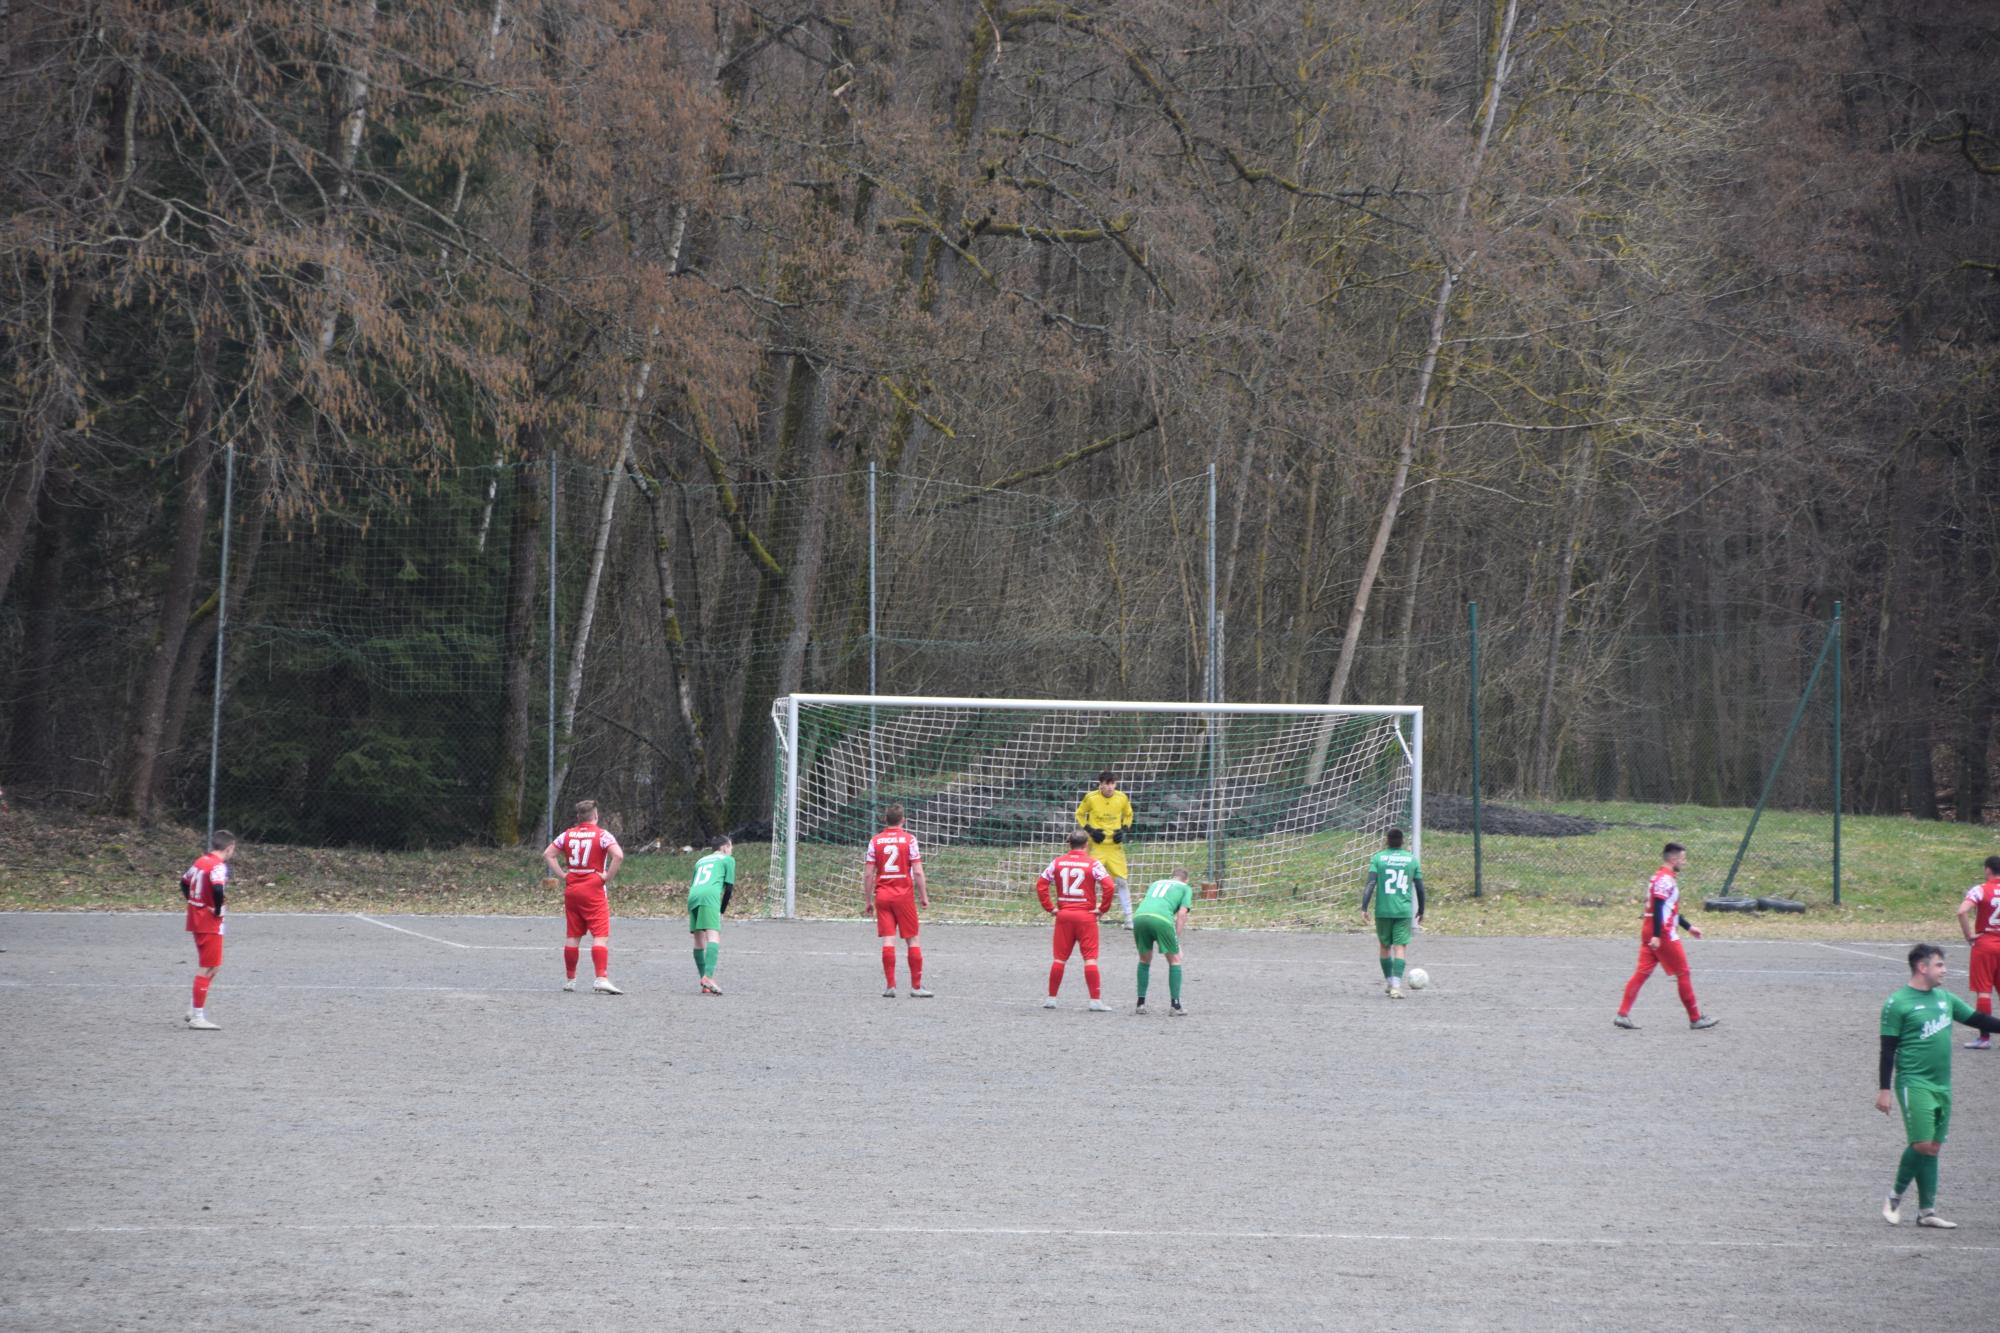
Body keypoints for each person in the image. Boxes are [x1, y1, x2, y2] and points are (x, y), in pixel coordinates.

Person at [1877, 943, 2000, 1227]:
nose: (1944, 970)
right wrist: (1884, 1090)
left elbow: (1978, 1019)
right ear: (1923, 967)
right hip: (1913, 1082)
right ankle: (1894, 1197)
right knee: (1920, 1144)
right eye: (1940, 965)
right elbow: (1887, 1049)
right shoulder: (1898, 1003)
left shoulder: (1945, 998)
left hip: (1942, 1085)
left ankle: (1926, 1212)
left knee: (1932, 1147)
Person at [1613, 842, 1717, 1030]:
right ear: (1674, 858)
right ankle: (1695, 1018)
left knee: (1642, 973)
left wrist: (1688, 926)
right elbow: (1660, 907)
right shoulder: (1665, 879)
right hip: (1662, 933)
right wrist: (1657, 935)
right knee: (1683, 972)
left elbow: (1667, 908)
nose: (1684, 863)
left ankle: (1622, 1014)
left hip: (1650, 928)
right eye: (1683, 859)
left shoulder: (1659, 877)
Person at [542, 799, 625, 994]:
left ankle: (570, 979)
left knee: (573, 935)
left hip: (572, 889)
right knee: (600, 935)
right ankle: (601, 977)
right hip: (593, 888)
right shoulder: (603, 835)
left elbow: (548, 854)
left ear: (578, 817)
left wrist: (562, 874)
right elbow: (618, 855)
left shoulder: (567, 835)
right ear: (595, 815)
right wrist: (607, 877)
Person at [1037, 830, 1117, 1010]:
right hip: (1086, 916)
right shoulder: (1093, 863)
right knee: (1090, 959)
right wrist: (1102, 909)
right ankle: (1095, 1001)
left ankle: (1051, 999)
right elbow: (1109, 886)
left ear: (1069, 844)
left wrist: (1050, 907)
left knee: (1059, 959)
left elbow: (1041, 884)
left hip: (1064, 915)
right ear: (1086, 844)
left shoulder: (1057, 862)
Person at [864, 803, 931, 998]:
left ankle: (891, 986)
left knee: (888, 939)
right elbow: (917, 871)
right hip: (903, 895)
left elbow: (869, 874)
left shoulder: (875, 841)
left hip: (883, 895)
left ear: (885, 819)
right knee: (912, 939)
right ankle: (916, 987)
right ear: (904, 820)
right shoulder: (909, 840)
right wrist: (924, 897)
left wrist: (868, 900)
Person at [179, 830, 237, 1030]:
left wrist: (193, 902)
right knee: (208, 966)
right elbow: (218, 888)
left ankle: (193, 1008)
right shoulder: (218, 866)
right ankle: (197, 1017)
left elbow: (184, 882)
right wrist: (218, 908)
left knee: (214, 966)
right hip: (209, 922)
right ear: (229, 848)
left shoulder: (200, 861)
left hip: (197, 919)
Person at [1361, 827, 1425, 999]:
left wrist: (1364, 907)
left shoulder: (1378, 858)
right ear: (1402, 841)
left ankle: (1390, 982)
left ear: (1387, 841)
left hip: (1383, 910)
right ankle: (1396, 986)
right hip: (1403, 911)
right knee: (1400, 947)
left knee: (1384, 946)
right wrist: (1421, 909)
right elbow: (1419, 887)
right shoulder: (1411, 860)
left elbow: (1370, 884)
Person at [1075, 769, 1136, 928]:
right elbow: (1080, 814)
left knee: (1122, 881)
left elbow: (1129, 815)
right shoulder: (1091, 798)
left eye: (1112, 784)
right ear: (1100, 785)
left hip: (1115, 848)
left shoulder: (1122, 798)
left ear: (1115, 784)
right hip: (1097, 847)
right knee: (1090, 880)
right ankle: (1089, 916)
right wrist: (1090, 830)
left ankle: (1129, 918)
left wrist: (1123, 830)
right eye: (1106, 784)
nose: (1109, 787)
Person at [1133, 867, 1193, 1016]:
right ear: (1186, 879)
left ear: (1171, 877)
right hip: (1161, 919)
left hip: (1140, 916)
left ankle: (1140, 1004)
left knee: (1144, 960)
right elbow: (1182, 914)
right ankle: (1176, 1006)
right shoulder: (1185, 887)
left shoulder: (1156, 883)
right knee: (1175, 959)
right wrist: (1177, 939)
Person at [1955, 855, 2000, 1050]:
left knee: (1984, 991)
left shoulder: (1980, 889)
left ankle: (1984, 1038)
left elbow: (1962, 911)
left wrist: (1968, 935)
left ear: (1987, 869)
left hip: (1986, 944)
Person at [687, 834, 736, 995]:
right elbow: (728, 889)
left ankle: (705, 982)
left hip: (693, 896)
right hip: (710, 896)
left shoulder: (700, 861)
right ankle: (708, 977)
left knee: (698, 940)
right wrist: (721, 911)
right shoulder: (728, 860)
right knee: (713, 936)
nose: (732, 850)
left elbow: (695, 882)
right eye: (730, 847)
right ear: (724, 848)